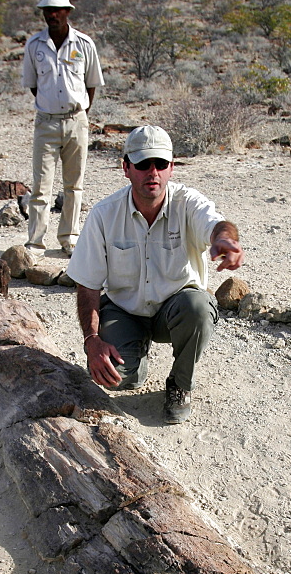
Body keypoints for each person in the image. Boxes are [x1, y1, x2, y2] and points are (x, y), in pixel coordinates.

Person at [67, 125, 244, 424]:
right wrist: (92, 340)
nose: (153, 172)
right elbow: (87, 285)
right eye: (143, 164)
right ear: (126, 168)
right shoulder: (103, 215)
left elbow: (217, 224)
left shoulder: (188, 203)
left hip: (174, 310)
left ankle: (179, 384)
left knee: (199, 308)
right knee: (114, 378)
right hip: (125, 311)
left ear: (171, 167)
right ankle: (134, 356)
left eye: (161, 164)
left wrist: (225, 239)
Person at [21, 0, 104, 256]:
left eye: (57, 10)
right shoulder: (34, 46)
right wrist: (51, 107)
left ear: (67, 11)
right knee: (41, 187)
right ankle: (35, 243)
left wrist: (79, 113)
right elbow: (34, 85)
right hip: (46, 123)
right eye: (47, 10)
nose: (52, 15)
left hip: (76, 121)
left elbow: (91, 83)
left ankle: (70, 238)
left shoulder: (84, 44)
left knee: (74, 185)